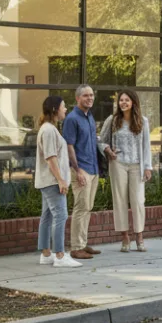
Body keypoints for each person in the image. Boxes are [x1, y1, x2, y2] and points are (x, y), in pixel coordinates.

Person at [99, 89, 153, 253]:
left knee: (137, 201)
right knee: (120, 200)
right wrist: (108, 149)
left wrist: (148, 167)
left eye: (126, 100)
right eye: (121, 100)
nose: (123, 103)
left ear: (133, 102)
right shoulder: (112, 120)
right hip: (118, 164)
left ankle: (139, 236)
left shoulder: (142, 121)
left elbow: (146, 146)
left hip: (137, 165)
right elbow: (100, 140)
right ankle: (125, 237)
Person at [35, 96, 81, 268]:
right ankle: (60, 256)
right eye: (63, 107)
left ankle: (46, 254)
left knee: (47, 216)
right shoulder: (48, 130)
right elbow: (50, 157)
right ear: (55, 109)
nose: (65, 109)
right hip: (52, 181)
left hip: (49, 181)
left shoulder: (50, 129)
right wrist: (61, 180)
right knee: (60, 215)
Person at [63, 84, 101, 259]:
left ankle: (83, 244)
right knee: (80, 208)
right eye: (86, 95)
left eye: (91, 95)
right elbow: (69, 146)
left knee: (88, 207)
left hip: (93, 168)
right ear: (77, 98)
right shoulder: (72, 118)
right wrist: (77, 170)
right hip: (81, 169)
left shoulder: (89, 117)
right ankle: (76, 247)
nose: (90, 98)